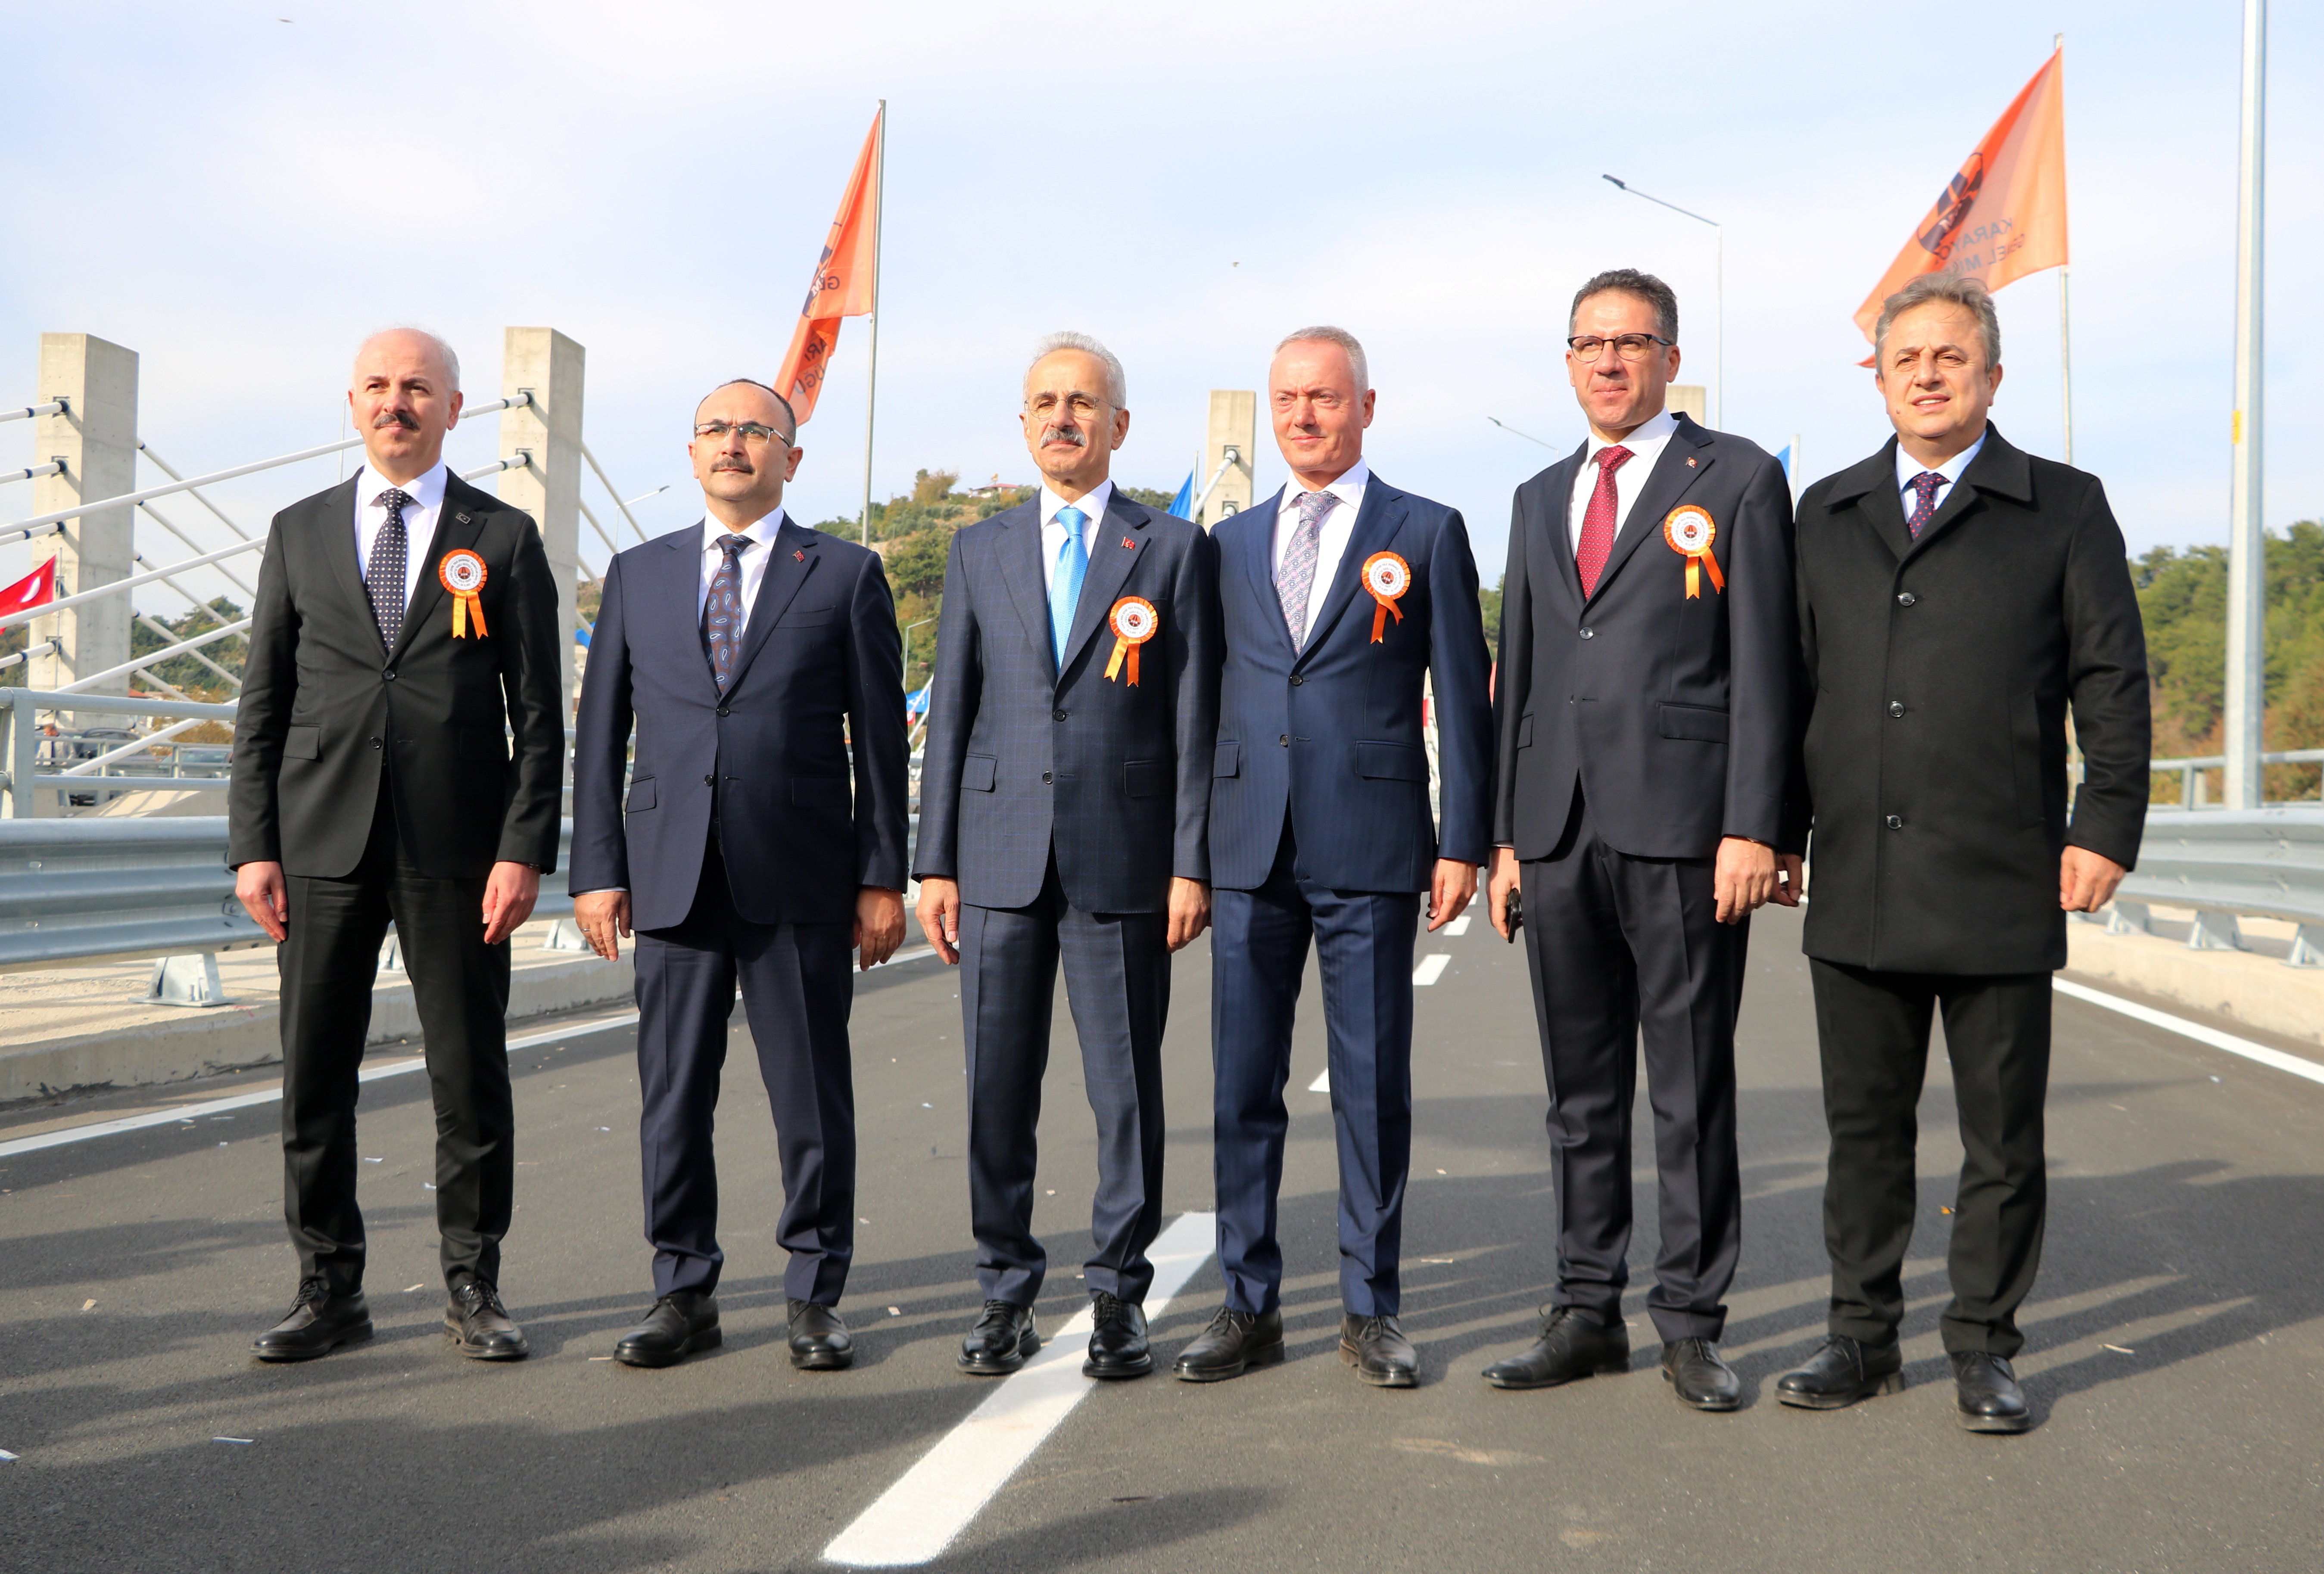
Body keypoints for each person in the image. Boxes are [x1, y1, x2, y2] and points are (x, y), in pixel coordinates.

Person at [1779, 274, 2148, 1432]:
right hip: (1857, 878)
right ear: (1877, 377)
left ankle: (1985, 1344)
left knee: (2002, 1135)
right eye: (1907, 358)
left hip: (2003, 870)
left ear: (1993, 375)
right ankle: (1860, 1335)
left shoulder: (2062, 507)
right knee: (1864, 1132)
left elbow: (2112, 680)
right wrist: (1777, 828)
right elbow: (1790, 689)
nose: (1928, 374)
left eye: (1952, 356)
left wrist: (2105, 827)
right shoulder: (1825, 513)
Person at [1482, 270, 1799, 1412]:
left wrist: (1755, 822)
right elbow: (1518, 671)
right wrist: (1508, 835)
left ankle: (1690, 1319)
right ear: (1567, 361)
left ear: (1670, 356)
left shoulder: (1742, 478)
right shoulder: (1533, 493)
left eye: (1634, 342)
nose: (1611, 361)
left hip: (1682, 829)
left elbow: (1769, 664)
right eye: (1591, 343)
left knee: (1688, 1087)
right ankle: (1583, 1307)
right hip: (1558, 830)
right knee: (1578, 1092)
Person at [230, 328, 564, 1362]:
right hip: (322, 842)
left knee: (469, 1075)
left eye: (418, 388)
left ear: (456, 409)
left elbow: (542, 714)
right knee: (313, 1077)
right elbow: (264, 701)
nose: (396, 402)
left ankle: (475, 1283)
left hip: (459, 851)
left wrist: (524, 850)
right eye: (378, 385)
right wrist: (254, 845)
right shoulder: (298, 532)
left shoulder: (501, 538)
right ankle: (329, 1289)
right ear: (353, 402)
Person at [1174, 326, 1493, 1389]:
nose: (1304, 417)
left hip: (1372, 845)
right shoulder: (1226, 545)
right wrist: (1191, 852)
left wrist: (1463, 841)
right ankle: (1246, 1303)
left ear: (1366, 406)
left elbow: (1462, 690)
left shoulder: (1429, 531)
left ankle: (1371, 1308)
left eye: (1324, 398)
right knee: (1241, 1087)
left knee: (1370, 1086)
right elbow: (1200, 702)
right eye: (1287, 400)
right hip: (1247, 845)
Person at [569, 379, 910, 1371]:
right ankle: (682, 1291)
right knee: (672, 1095)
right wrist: (597, 870)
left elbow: (881, 742)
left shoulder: (844, 575)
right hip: (671, 875)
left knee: (810, 1096)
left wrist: (882, 875)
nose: (734, 444)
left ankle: (814, 1293)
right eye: (716, 429)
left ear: (791, 459)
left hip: (800, 876)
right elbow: (601, 741)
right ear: (691, 453)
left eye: (757, 431)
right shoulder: (637, 575)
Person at [914, 333, 1219, 1381]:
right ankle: (1004, 1293)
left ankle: (1119, 1298)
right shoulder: (978, 548)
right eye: (1045, 402)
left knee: (1124, 1091)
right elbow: (951, 713)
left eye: (1084, 403)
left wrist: (1191, 863)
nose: (1063, 418)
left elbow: (1195, 719)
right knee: (997, 1088)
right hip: (996, 861)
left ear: (1119, 426)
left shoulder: (1172, 551)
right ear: (1024, 421)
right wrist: (935, 864)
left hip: (1125, 863)